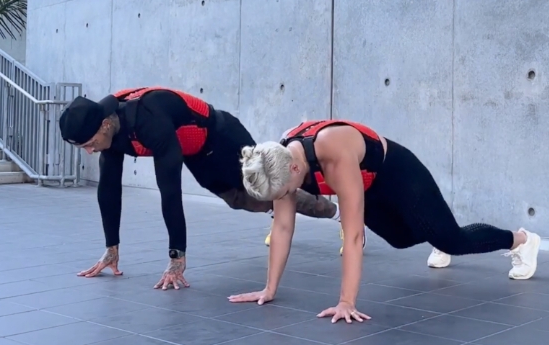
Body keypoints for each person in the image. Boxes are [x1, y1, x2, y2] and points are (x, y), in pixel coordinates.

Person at [227, 120, 541, 323]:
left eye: (284, 193)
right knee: (400, 239)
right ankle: (433, 230)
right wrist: (269, 288)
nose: (285, 199)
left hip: (397, 173)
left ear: (295, 170)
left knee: (452, 240)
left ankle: (521, 240)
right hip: (367, 186)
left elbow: (353, 236)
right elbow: (282, 228)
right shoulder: (279, 165)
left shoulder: (333, 155)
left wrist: (346, 302)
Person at [58, 87, 346, 291]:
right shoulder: (108, 131)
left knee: (269, 188)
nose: (90, 151)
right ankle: (279, 211)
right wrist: (111, 248)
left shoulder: (148, 118)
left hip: (224, 138)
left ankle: (340, 214)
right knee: (240, 200)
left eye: (89, 144)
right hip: (196, 153)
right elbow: (108, 191)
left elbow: (170, 191)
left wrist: (177, 258)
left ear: (105, 125)